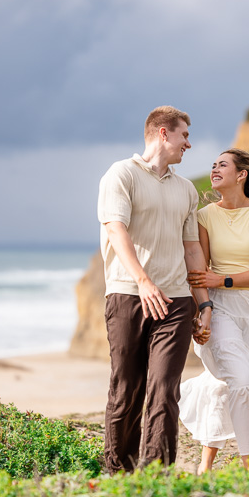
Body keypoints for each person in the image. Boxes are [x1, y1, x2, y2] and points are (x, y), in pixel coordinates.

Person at [97, 106, 212, 473]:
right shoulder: (121, 174)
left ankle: (157, 477)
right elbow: (117, 231)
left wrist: (203, 304)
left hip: (176, 301)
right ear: (163, 133)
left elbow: (192, 248)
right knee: (126, 390)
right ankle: (119, 473)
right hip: (128, 295)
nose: (188, 144)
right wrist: (144, 283)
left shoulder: (186, 189)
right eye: (184, 136)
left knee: (165, 390)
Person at [179, 148, 249, 473]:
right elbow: (199, 272)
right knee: (243, 383)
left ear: (241, 175)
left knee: (230, 385)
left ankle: (205, 464)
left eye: (223, 164)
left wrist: (223, 279)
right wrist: (203, 311)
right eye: (213, 165)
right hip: (220, 310)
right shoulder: (205, 216)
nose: (214, 168)